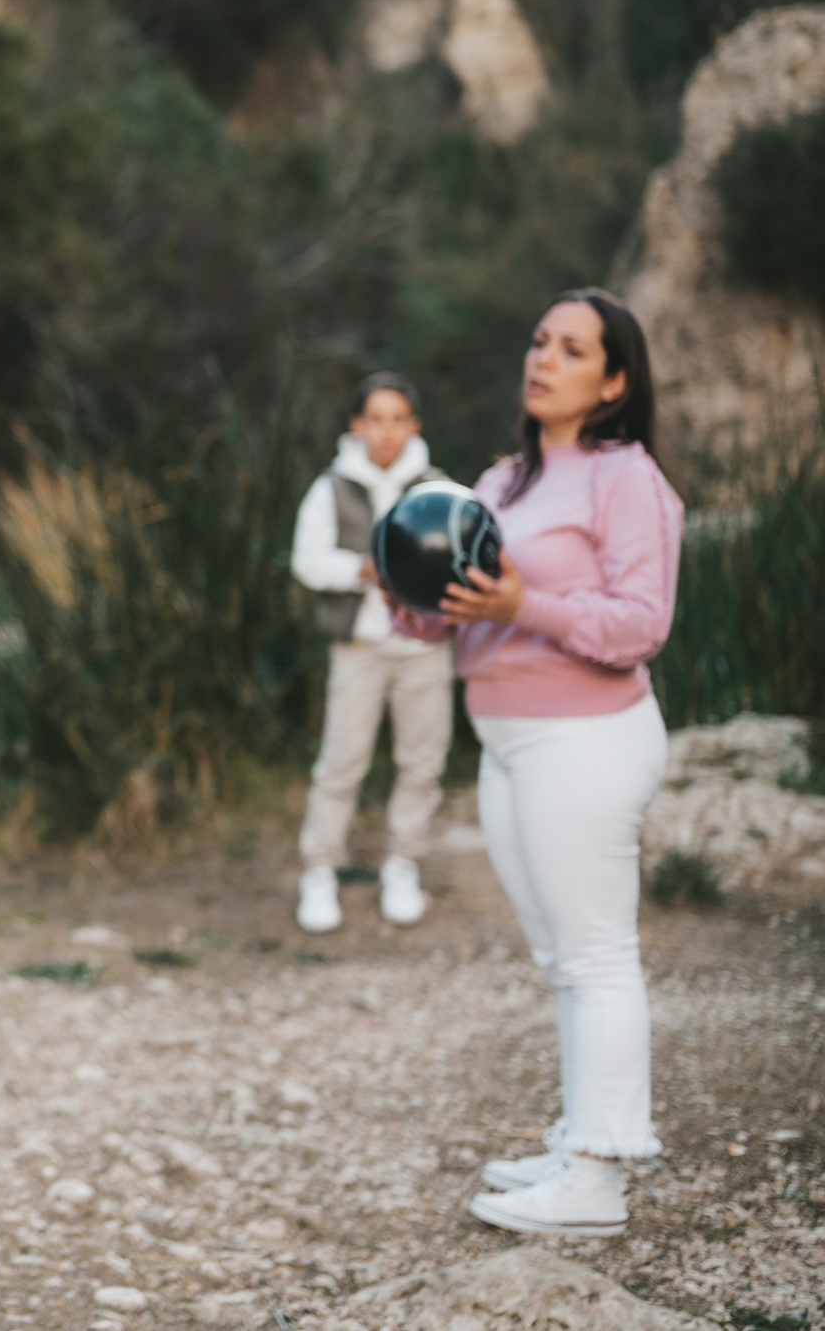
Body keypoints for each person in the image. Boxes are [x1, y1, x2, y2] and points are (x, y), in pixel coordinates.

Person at [395, 288, 682, 1239]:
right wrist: (411, 594)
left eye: (572, 348)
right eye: (537, 340)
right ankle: (578, 1140)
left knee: (599, 957)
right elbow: (460, 611)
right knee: (562, 957)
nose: (544, 358)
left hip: (587, 739)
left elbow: (640, 625)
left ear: (613, 380)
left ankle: (598, 1181)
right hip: (509, 741)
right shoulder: (500, 482)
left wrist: (524, 603)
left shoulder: (624, 477)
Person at [289, 373, 453, 933]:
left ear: (414, 425)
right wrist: (361, 569)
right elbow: (307, 561)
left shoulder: (435, 487)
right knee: (342, 761)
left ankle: (403, 863)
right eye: (375, 419)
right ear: (356, 426)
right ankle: (320, 869)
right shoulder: (331, 487)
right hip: (357, 646)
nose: (386, 432)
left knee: (421, 760)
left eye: (398, 419)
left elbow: (459, 554)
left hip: (423, 647)